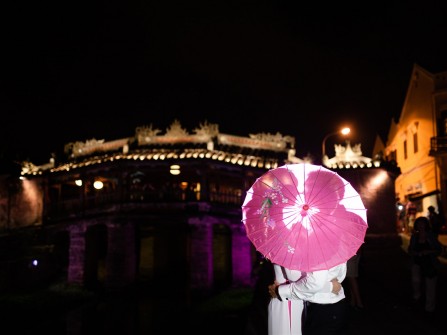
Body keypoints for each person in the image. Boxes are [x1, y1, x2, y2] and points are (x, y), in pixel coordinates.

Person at [269, 262, 347, 335]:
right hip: (289, 302)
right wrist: (330, 286)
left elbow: (312, 282)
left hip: (302, 301)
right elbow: (297, 278)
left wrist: (280, 291)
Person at [408, 216, 443, 315]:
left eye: (422, 224)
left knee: (430, 286)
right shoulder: (414, 237)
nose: (421, 226)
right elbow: (410, 249)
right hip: (417, 262)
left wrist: (428, 251)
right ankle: (417, 297)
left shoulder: (431, 236)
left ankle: (429, 308)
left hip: (430, 263)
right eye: (419, 224)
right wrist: (415, 253)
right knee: (415, 280)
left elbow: (439, 250)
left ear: (426, 225)